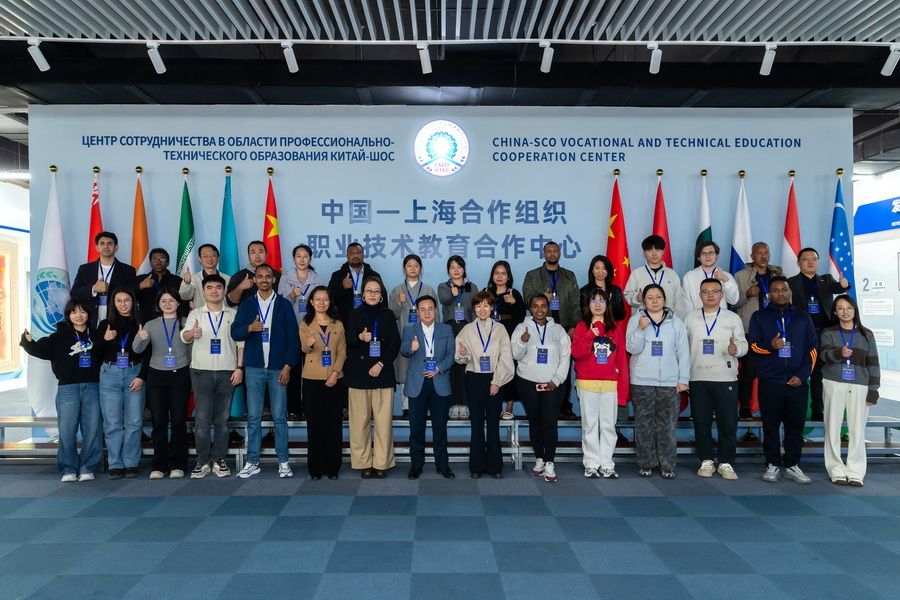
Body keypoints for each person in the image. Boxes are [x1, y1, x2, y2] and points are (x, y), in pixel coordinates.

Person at [19, 299, 102, 482]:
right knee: (67, 431)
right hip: (67, 389)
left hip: (93, 388)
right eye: (74, 312)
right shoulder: (59, 337)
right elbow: (39, 349)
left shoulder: (97, 335)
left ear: (88, 314)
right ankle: (68, 469)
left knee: (93, 430)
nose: (79, 316)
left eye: (82, 311)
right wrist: (27, 341)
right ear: (68, 315)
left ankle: (88, 467)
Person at [231, 264, 299, 479]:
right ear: (255, 280)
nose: (263, 279)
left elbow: (293, 339)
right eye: (259, 276)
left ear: (273, 280)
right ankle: (252, 461)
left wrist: (288, 365)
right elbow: (235, 332)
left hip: (279, 368)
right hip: (254, 368)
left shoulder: (284, 305)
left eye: (267, 276)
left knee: (279, 416)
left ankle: (283, 461)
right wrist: (249, 328)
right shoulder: (247, 304)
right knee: (254, 417)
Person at [748, 276, 818, 484]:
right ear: (769, 294)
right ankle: (772, 463)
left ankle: (793, 464)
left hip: (797, 382)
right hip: (770, 381)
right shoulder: (759, 316)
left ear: (790, 292)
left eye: (784, 290)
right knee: (770, 426)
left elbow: (812, 349)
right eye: (776, 290)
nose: (781, 293)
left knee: (795, 426)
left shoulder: (802, 317)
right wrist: (770, 346)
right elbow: (753, 346)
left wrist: (802, 375)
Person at [683, 278, 748, 480]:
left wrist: (736, 349)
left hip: (725, 378)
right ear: (700, 295)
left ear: (721, 294)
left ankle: (726, 462)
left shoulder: (732, 318)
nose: (710, 295)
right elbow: (682, 348)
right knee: (701, 422)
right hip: (698, 377)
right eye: (706, 291)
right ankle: (706, 460)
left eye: (715, 291)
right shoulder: (690, 318)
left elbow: (743, 345)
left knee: (727, 423)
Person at [181, 274, 243, 479]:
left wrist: (239, 368)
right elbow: (184, 336)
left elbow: (240, 344)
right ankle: (202, 461)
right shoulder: (196, 313)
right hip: (201, 372)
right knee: (202, 421)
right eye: (209, 287)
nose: (214, 291)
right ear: (203, 291)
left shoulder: (233, 314)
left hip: (227, 371)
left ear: (224, 291)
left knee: (222, 421)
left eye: (218, 287)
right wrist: (192, 334)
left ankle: (219, 460)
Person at [626, 284, 690, 479]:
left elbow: (683, 352)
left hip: (670, 383)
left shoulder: (676, 322)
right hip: (642, 381)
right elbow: (631, 348)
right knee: (644, 425)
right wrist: (640, 329)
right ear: (644, 300)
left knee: (667, 426)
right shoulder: (636, 319)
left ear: (664, 299)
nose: (654, 301)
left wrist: (683, 379)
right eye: (650, 297)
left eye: (658, 297)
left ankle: (667, 465)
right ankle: (646, 463)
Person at [820, 294, 880, 487]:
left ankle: (855, 471)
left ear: (855, 310)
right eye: (840, 308)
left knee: (857, 430)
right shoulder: (828, 332)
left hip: (860, 384)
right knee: (832, 428)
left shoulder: (866, 334)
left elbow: (873, 362)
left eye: (849, 308)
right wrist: (839, 353)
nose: (845, 312)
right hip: (833, 383)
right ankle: (836, 469)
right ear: (835, 312)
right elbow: (823, 356)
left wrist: (873, 389)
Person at [132, 289, 192, 479]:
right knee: (158, 422)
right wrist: (140, 337)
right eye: (163, 301)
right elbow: (137, 349)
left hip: (180, 374)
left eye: (171, 300)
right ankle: (159, 465)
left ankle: (178, 465)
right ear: (158, 304)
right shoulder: (150, 324)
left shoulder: (186, 322)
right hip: (156, 375)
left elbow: (193, 349)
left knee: (178, 421)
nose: (167, 304)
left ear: (178, 303)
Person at [511, 295, 571, 482]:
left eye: (543, 306)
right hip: (527, 382)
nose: (539, 310)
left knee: (550, 422)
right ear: (530, 308)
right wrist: (522, 340)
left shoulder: (558, 330)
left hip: (552, 383)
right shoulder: (522, 328)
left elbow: (566, 356)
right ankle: (539, 458)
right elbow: (515, 354)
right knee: (535, 421)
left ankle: (550, 462)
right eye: (535, 306)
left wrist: (557, 379)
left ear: (548, 307)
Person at [455, 291, 514, 479]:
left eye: (486, 305)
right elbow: (462, 358)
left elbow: (506, 358)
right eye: (478, 306)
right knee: (477, 424)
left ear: (492, 308)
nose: (482, 309)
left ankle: (495, 466)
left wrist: (497, 381)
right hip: (474, 379)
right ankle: (477, 466)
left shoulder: (500, 329)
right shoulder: (467, 330)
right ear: (474, 309)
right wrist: (463, 353)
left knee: (494, 423)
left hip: (495, 378)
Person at [345, 276, 400, 478]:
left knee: (383, 424)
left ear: (381, 294)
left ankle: (381, 463)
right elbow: (347, 341)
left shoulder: (388, 314)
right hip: (358, 375)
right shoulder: (353, 314)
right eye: (369, 291)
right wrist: (359, 337)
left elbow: (394, 344)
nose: (373, 294)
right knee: (359, 423)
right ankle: (363, 462)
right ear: (363, 294)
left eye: (376, 291)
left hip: (382, 374)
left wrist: (381, 364)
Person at [787, 247, 851, 421]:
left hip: (824, 333)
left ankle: (817, 409)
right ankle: (795, 410)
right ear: (798, 262)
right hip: (801, 334)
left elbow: (839, 288)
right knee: (799, 369)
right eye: (806, 259)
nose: (810, 262)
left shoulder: (826, 279)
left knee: (819, 372)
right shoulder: (790, 282)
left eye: (814, 259)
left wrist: (844, 284)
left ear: (818, 261)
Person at [571, 288, 628, 479]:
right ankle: (591, 463)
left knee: (608, 426)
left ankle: (607, 463)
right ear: (588, 305)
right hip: (587, 383)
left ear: (607, 305)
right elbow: (576, 353)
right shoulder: (581, 326)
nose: (597, 304)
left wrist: (623, 391)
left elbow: (621, 360)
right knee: (590, 425)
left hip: (610, 384)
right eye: (593, 301)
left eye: (601, 301)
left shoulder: (615, 327)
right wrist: (590, 335)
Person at [521, 241, 580, 419]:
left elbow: (575, 303)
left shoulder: (569, 276)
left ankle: (564, 405)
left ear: (559, 253)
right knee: (542, 364)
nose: (552, 253)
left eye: (555, 251)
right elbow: (527, 299)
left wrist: (573, 326)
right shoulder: (532, 275)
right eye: (549, 251)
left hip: (564, 326)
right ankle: (540, 402)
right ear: (544, 254)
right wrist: (542, 297)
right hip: (541, 326)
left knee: (564, 365)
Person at [400, 295, 456, 480]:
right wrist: (412, 347)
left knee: (440, 428)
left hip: (439, 381)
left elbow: (451, 354)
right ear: (417, 312)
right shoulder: (409, 330)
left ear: (436, 310)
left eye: (430, 309)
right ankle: (416, 465)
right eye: (422, 309)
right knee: (416, 429)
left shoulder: (446, 329)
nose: (426, 312)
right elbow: (404, 350)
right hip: (417, 384)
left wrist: (439, 367)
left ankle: (443, 465)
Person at [95, 287, 149, 479]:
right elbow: (95, 353)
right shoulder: (105, 324)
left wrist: (142, 376)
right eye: (118, 300)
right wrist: (104, 339)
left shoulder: (141, 324)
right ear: (113, 303)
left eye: (126, 300)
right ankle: (115, 463)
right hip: (110, 374)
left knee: (134, 421)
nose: (123, 304)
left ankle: (131, 462)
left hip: (134, 373)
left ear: (133, 302)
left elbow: (148, 353)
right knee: (112, 422)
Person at [299, 286, 347, 480]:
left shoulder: (338, 324)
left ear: (329, 302)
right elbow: (304, 349)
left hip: (335, 379)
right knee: (315, 425)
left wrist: (335, 373)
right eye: (317, 299)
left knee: (333, 424)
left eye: (325, 299)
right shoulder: (305, 324)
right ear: (311, 302)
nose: (321, 302)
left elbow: (342, 352)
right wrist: (308, 344)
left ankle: (333, 467)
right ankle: (316, 468)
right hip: (312, 380)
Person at [733, 242, 782, 422]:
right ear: (752, 256)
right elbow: (734, 303)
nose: (763, 256)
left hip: (774, 329)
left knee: (774, 369)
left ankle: (773, 406)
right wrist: (747, 294)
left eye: (766, 252)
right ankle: (745, 407)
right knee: (749, 370)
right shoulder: (740, 275)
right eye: (759, 253)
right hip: (750, 328)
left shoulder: (777, 275)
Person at [389, 254, 436, 419]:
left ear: (420, 268)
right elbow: (392, 315)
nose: (413, 268)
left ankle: (424, 406)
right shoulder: (397, 290)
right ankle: (406, 407)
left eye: (416, 265)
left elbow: (436, 315)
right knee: (404, 371)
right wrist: (400, 303)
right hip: (404, 335)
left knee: (423, 368)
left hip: (425, 336)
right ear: (404, 269)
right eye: (409, 265)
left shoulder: (428, 289)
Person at [278, 244, 323, 420]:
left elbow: (323, 302)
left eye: (305, 256)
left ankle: (311, 408)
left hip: (312, 331)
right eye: (299, 256)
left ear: (310, 258)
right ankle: (294, 409)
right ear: (294, 258)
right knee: (294, 371)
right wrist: (292, 296)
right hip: (291, 331)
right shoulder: (285, 278)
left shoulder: (317, 279)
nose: (302, 259)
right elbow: (279, 304)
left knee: (312, 371)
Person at [438, 255, 479, 420]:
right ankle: (453, 404)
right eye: (452, 267)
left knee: (466, 366)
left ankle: (465, 404)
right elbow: (444, 300)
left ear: (464, 269)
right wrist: (453, 293)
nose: (456, 270)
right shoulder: (444, 286)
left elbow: (475, 309)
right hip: (449, 328)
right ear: (448, 270)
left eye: (459, 267)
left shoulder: (472, 287)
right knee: (452, 366)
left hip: (466, 327)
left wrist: (475, 329)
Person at [486, 260, 526, 420]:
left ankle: (509, 406)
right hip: (490, 336)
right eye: (496, 273)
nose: (499, 276)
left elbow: (521, 316)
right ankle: (494, 405)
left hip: (509, 334)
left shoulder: (513, 293)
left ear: (508, 276)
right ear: (492, 275)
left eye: (503, 273)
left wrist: (514, 303)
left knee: (509, 367)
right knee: (492, 368)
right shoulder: (486, 293)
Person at [71, 231, 137, 326]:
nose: (106, 246)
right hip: (91, 318)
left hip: (117, 317)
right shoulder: (85, 269)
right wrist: (93, 289)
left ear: (116, 247)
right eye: (102, 243)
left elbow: (132, 295)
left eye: (110, 243)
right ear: (97, 248)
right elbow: (74, 293)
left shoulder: (128, 270)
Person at [327, 242, 387, 324]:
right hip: (345, 320)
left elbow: (383, 299)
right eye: (352, 253)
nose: (355, 256)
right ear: (347, 256)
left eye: (358, 253)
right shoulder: (337, 275)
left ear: (363, 255)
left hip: (370, 319)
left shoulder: (373, 275)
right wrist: (342, 286)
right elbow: (329, 298)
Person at [623, 235, 683, 315]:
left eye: (658, 250)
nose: (654, 254)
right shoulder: (636, 273)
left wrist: (677, 320)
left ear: (663, 252)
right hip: (643, 320)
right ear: (644, 253)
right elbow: (627, 295)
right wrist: (637, 297)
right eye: (650, 250)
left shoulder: (672, 274)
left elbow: (679, 302)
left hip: (668, 320)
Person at [679, 241, 739, 312]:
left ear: (717, 256)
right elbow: (686, 304)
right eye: (703, 253)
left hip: (721, 317)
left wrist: (725, 280)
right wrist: (694, 317)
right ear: (698, 257)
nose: (707, 256)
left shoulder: (726, 276)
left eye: (711, 253)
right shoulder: (689, 277)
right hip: (697, 317)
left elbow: (734, 301)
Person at [136, 248, 187, 323]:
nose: (158, 262)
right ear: (150, 262)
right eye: (155, 259)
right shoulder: (141, 279)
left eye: (162, 259)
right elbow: (129, 297)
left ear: (168, 262)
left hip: (172, 321)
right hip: (147, 320)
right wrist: (140, 286)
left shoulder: (178, 281)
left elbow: (184, 303)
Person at [226, 240, 282, 307]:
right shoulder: (239, 276)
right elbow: (230, 302)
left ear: (266, 254)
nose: (257, 256)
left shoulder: (276, 275)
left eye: (260, 252)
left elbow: (283, 300)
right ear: (248, 256)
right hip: (248, 313)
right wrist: (241, 287)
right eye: (253, 252)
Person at [179, 243, 231, 309]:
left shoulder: (227, 278)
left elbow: (231, 301)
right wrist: (186, 283)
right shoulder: (194, 278)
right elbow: (184, 296)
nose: (209, 258)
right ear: (200, 260)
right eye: (205, 256)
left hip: (222, 314)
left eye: (213, 255)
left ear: (218, 258)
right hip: (200, 314)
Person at [579, 254, 627, 322]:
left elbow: (621, 315)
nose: (600, 271)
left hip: (612, 326)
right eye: (597, 268)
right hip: (591, 327)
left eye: (604, 268)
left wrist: (609, 303)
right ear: (592, 270)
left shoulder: (616, 290)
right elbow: (583, 315)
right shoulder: (584, 291)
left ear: (608, 270)